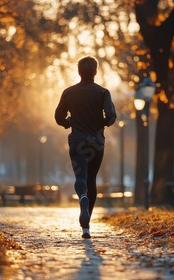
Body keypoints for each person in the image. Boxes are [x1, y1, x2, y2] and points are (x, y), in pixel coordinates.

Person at [55, 56, 117, 238]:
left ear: (79, 72)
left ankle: (82, 198)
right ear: (95, 72)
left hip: (77, 142)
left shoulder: (68, 92)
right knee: (92, 180)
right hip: (96, 143)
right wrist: (102, 123)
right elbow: (112, 115)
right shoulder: (103, 92)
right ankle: (87, 224)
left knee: (80, 177)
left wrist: (67, 123)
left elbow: (58, 116)